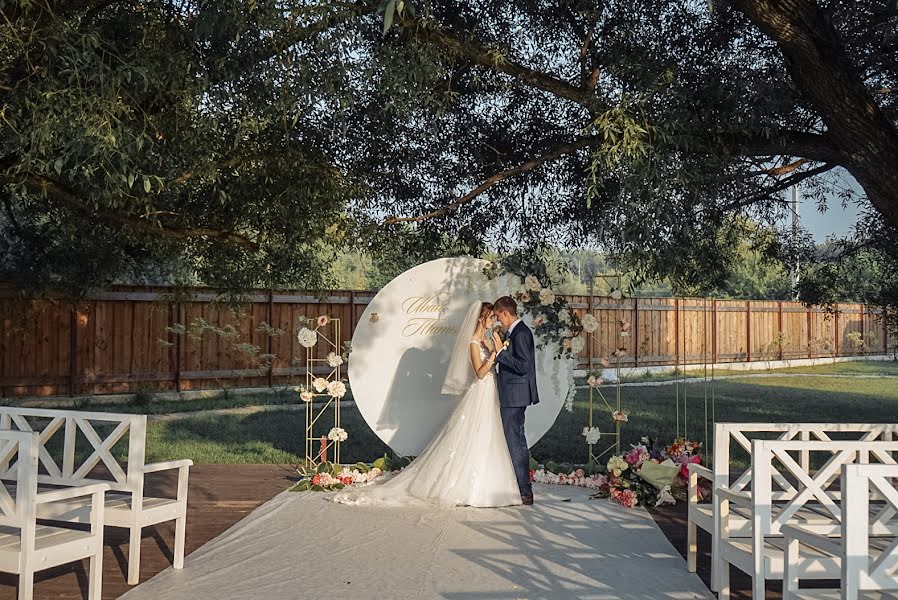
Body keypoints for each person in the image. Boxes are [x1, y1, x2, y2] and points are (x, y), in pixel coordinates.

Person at [332, 301, 522, 508]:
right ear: (480, 319)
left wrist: (496, 349)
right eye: (490, 317)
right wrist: (497, 353)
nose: (494, 320)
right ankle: (465, 487)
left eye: (495, 317)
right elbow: (480, 372)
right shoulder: (474, 343)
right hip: (480, 393)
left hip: (490, 393)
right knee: (474, 434)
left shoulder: (486, 340)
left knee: (489, 435)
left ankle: (491, 485)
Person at [491, 295, 539, 505]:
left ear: (505, 313)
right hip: (512, 394)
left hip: (515, 396)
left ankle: (524, 491)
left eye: (498, 316)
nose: (498, 320)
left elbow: (523, 366)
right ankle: (518, 486)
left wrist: (501, 351)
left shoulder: (521, 333)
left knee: (516, 442)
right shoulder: (515, 332)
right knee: (513, 441)